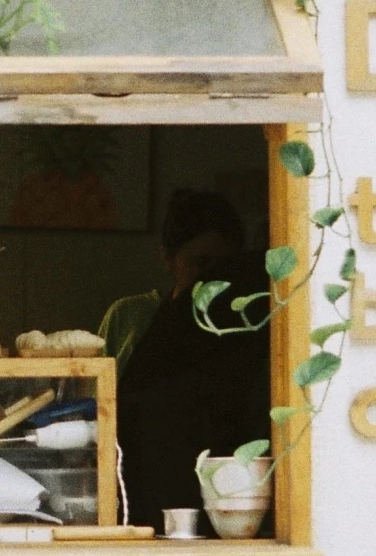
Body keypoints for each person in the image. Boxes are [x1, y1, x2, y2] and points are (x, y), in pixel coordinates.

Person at [115, 189, 272, 529]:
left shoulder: (244, 319)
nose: (214, 279)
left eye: (223, 264)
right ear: (167, 258)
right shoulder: (141, 318)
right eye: (201, 264)